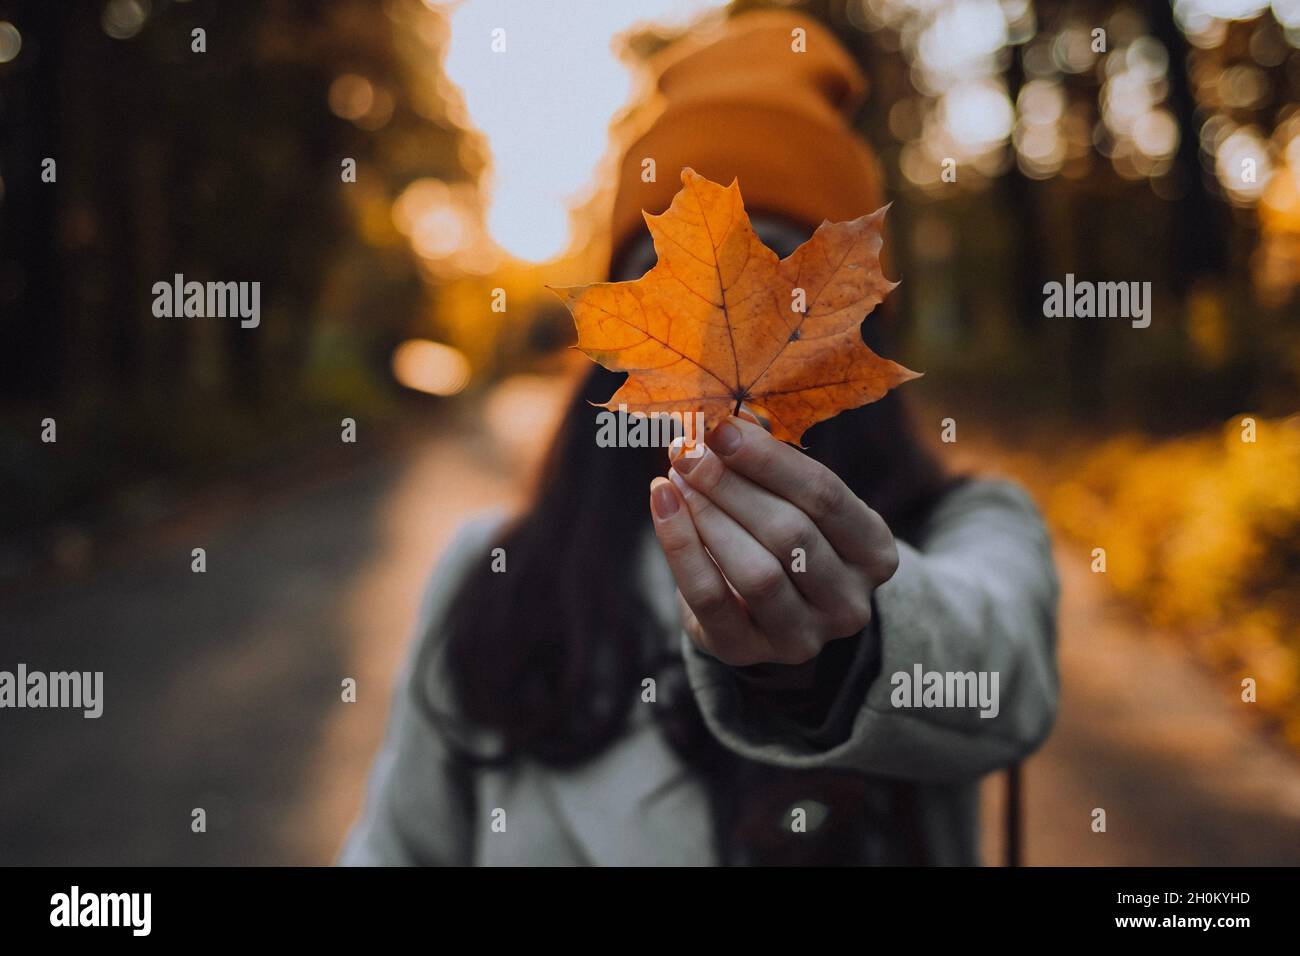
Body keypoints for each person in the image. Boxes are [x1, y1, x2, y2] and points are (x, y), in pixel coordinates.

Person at [340, 10, 1058, 866]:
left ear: (862, 327)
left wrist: (841, 654)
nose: (730, 343)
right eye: (665, 279)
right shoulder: (492, 581)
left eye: (783, 271)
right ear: (619, 336)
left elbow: (1001, 671)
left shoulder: (974, 526)